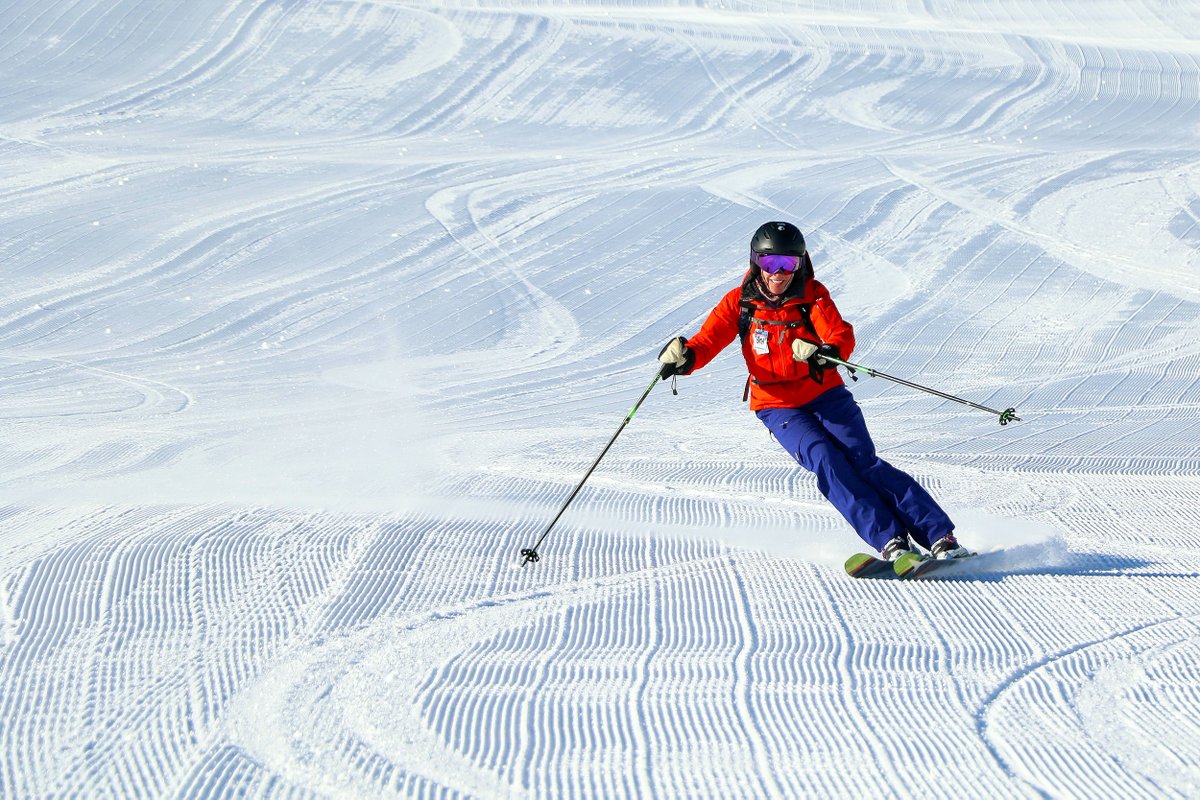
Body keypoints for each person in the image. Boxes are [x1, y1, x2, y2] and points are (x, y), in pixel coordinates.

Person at [657, 221, 969, 561]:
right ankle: (890, 540)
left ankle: (939, 536)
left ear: (800, 262)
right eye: (770, 263)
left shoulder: (812, 296)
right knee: (826, 461)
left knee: (862, 461)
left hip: (825, 394)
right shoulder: (740, 303)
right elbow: (707, 341)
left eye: (788, 263)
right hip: (777, 404)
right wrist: (685, 357)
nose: (778, 273)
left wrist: (825, 353)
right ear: (755, 262)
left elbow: (839, 334)